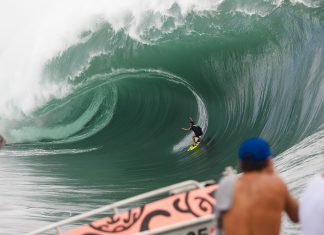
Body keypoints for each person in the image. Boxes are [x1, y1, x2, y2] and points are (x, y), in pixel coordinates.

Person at [215, 137, 299, 235]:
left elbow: (219, 225)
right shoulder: (275, 184)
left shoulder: (225, 185)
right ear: (268, 161)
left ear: (241, 163)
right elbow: (296, 216)